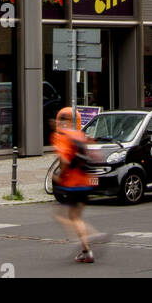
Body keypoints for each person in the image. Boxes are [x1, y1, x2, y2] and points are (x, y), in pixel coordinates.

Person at [51, 106, 97, 264]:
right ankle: (86, 250)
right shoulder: (80, 135)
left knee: (65, 216)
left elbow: (64, 161)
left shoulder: (62, 136)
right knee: (76, 216)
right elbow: (93, 155)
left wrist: (59, 177)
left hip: (72, 183)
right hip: (85, 182)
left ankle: (90, 237)